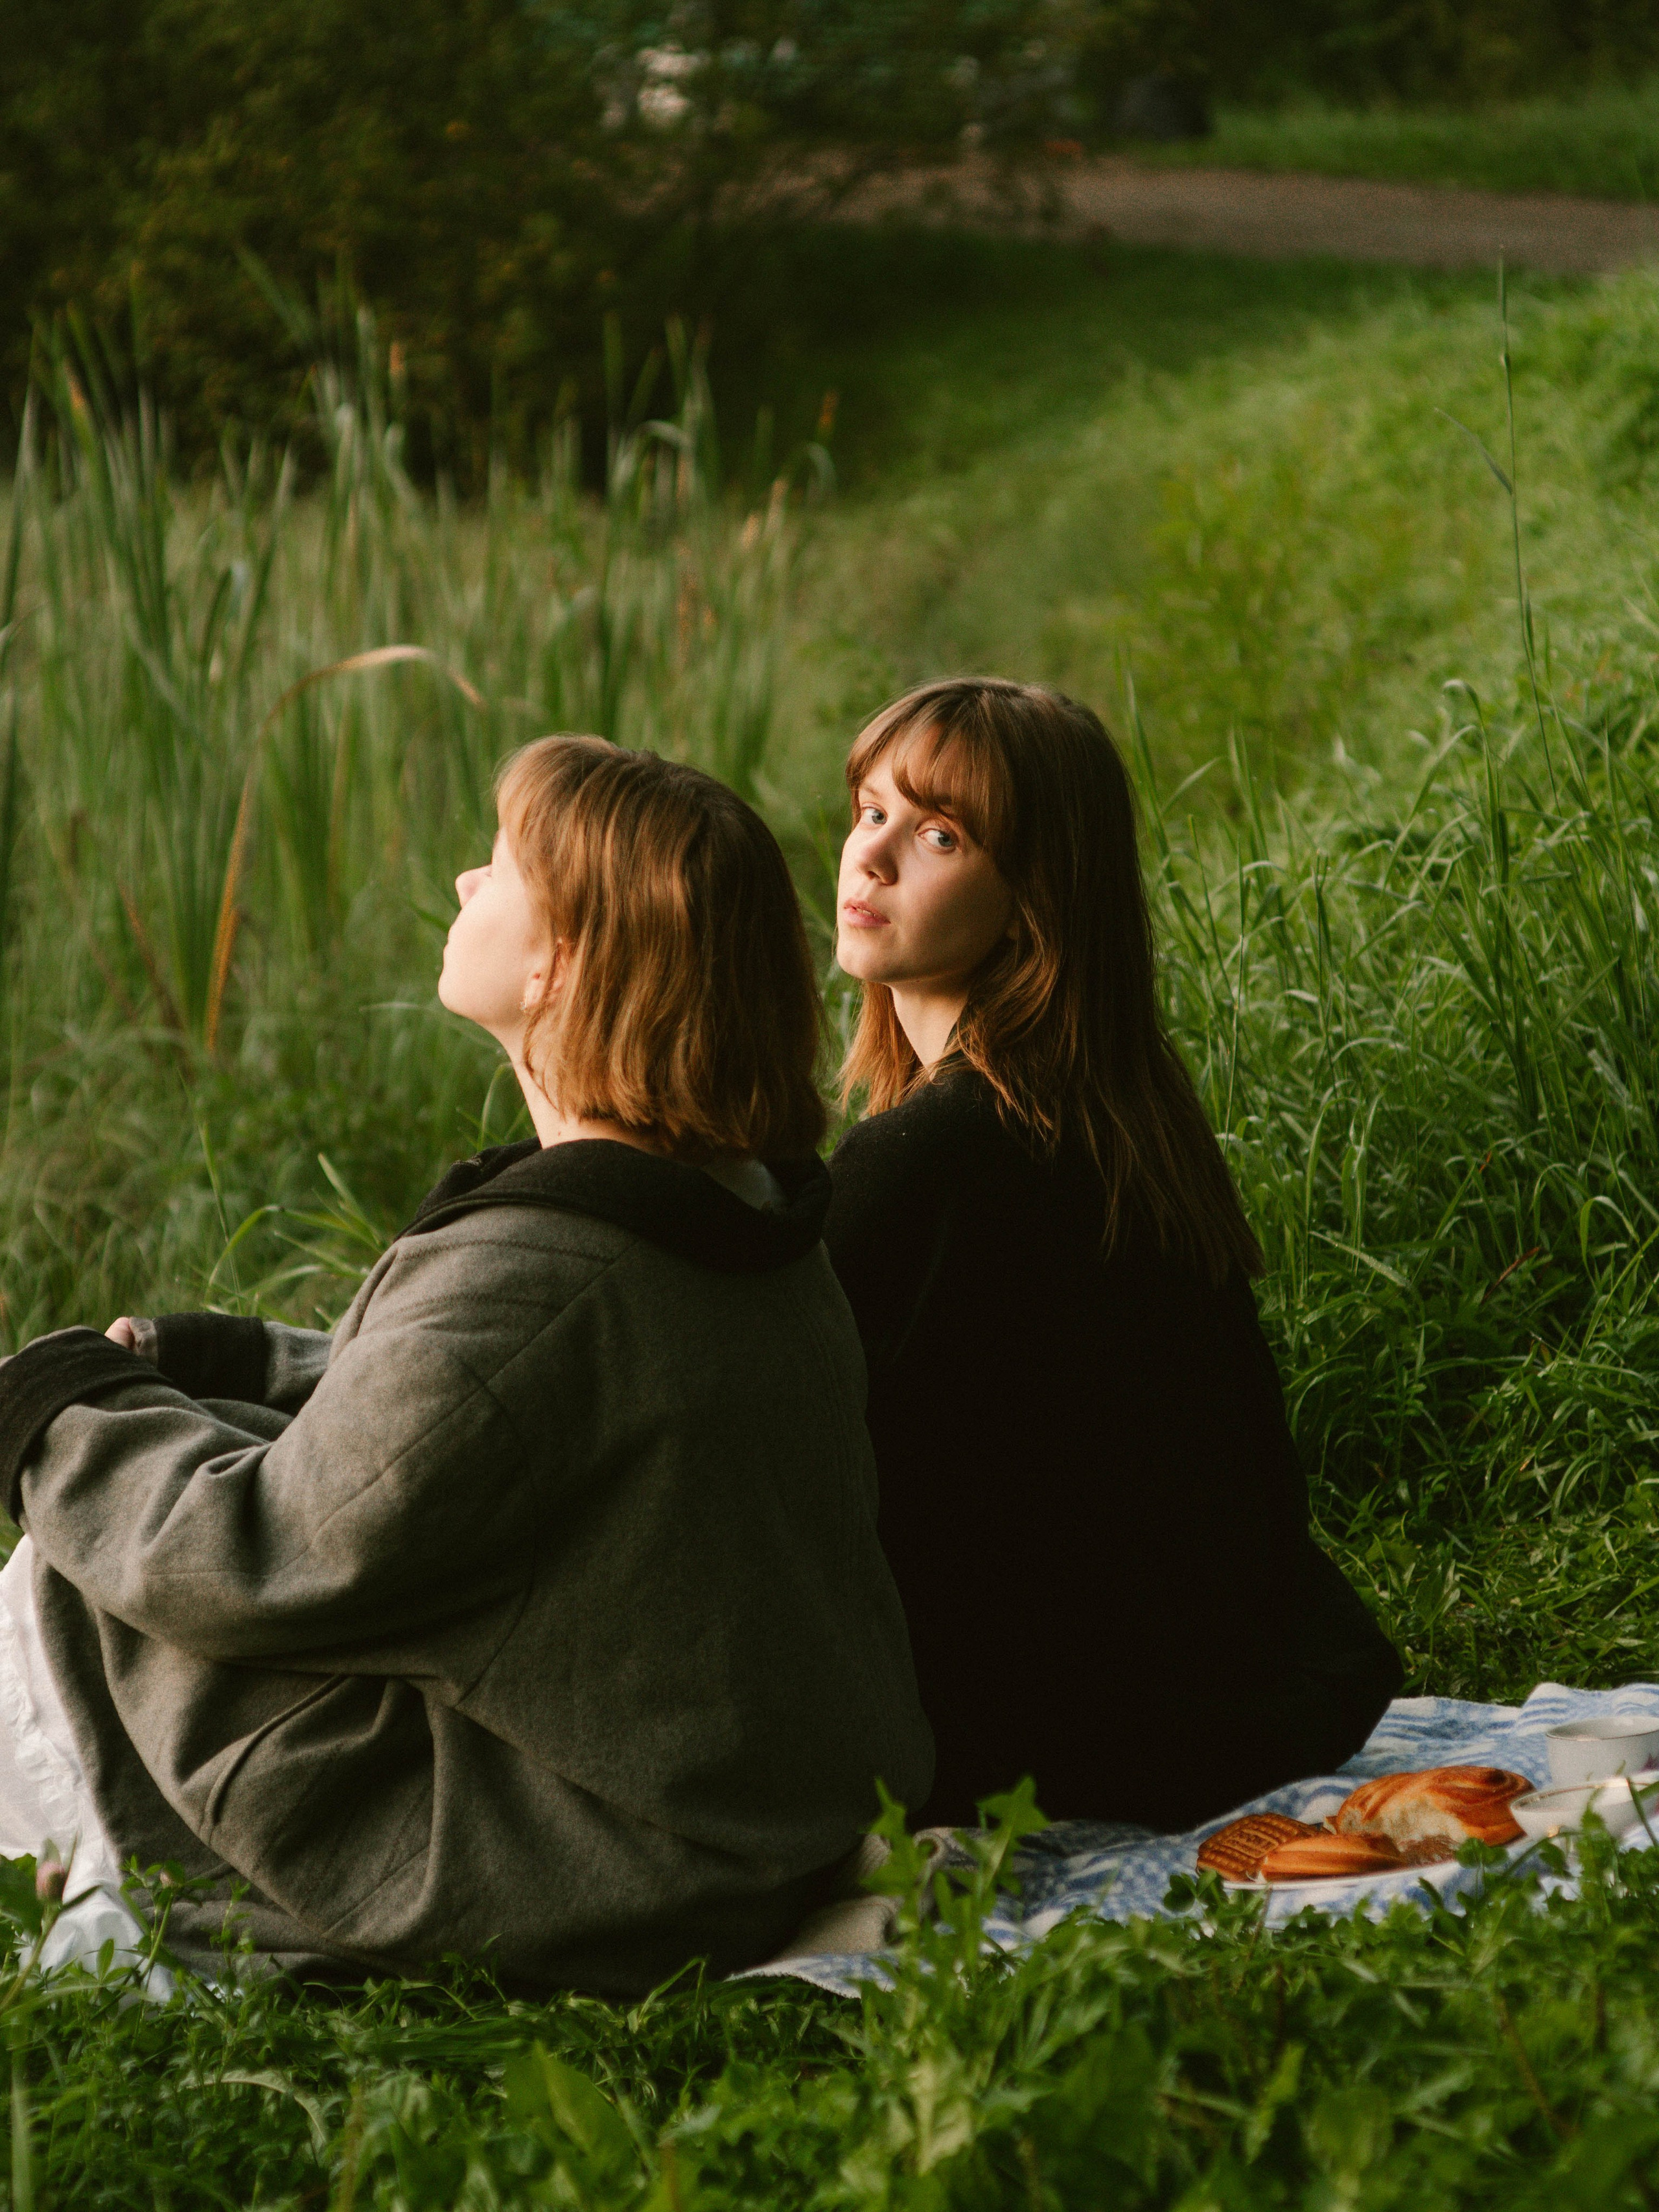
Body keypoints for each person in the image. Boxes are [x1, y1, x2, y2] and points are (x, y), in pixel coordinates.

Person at [0, 735, 932, 1992]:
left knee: (80, 1566)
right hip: (741, 1821)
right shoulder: (735, 1208)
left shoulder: (546, 1279)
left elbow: (259, 1551)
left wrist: (47, 1404)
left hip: (608, 1872)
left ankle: (74, 1857)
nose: (462, 883)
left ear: (562, 963)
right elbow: (484, 1414)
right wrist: (232, 1361)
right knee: (189, 1428)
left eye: (497, 867)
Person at [824, 678, 1402, 1834]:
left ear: (1032, 901)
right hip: (1240, 1701)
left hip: (1056, 1743)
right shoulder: (1116, 1119)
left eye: (940, 835)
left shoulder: (938, 1154)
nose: (871, 857)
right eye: (872, 811)